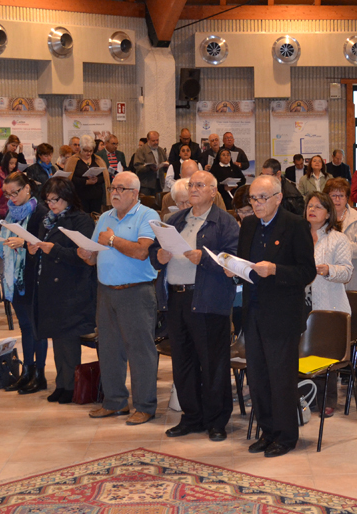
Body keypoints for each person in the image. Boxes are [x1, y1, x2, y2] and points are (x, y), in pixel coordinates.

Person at [229, 174, 316, 458]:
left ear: (278, 197)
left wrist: (276, 270)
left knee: (281, 378)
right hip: (252, 312)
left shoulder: (295, 225)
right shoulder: (249, 225)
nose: (256, 204)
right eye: (252, 198)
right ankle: (267, 432)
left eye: (262, 198)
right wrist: (234, 270)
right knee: (258, 377)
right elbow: (245, 264)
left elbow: (307, 272)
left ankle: (286, 436)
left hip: (282, 315)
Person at [156, 170, 240, 442]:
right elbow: (155, 257)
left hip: (208, 299)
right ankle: (191, 417)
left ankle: (216, 421)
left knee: (213, 363)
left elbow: (234, 260)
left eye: (199, 185)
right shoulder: (175, 219)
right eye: (191, 185)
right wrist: (158, 256)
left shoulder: (225, 223)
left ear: (213, 191)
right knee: (183, 362)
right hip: (177, 298)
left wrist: (203, 258)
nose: (193, 189)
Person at [78, 172, 161, 425]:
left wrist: (112, 240)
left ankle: (145, 406)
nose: (114, 192)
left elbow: (142, 251)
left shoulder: (148, 216)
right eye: (112, 187)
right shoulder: (105, 217)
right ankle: (114, 402)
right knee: (109, 349)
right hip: (106, 292)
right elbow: (93, 256)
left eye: (121, 188)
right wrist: (85, 253)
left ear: (135, 193)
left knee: (140, 351)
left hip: (136, 292)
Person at [24, 177, 96, 404]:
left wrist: (53, 249)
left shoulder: (81, 220)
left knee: (69, 339)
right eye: (48, 200)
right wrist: (33, 249)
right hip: (49, 285)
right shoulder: (46, 220)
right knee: (57, 337)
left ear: (67, 198)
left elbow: (82, 256)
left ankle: (71, 385)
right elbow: (41, 246)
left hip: (72, 286)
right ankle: (61, 383)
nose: (51, 204)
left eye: (55, 200)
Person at [0, 172, 48, 394]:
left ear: (27, 189)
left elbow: (45, 245)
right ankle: (27, 371)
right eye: (7, 194)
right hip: (15, 278)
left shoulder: (40, 212)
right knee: (25, 328)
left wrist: (23, 242)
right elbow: (7, 242)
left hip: (33, 277)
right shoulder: (10, 215)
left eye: (16, 193)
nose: (11, 198)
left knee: (36, 328)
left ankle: (39, 375)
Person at [305, 190, 354, 417]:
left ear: (328, 214)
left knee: (325, 354)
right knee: (301, 352)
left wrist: (328, 269)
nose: (312, 210)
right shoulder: (298, 235)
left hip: (329, 305)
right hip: (301, 303)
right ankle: (305, 396)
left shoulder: (338, 238)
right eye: (310, 206)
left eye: (318, 207)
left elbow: (347, 272)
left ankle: (327, 399)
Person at [326, 177, 357, 292]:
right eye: (333, 196)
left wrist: (340, 246)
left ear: (347, 198)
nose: (337, 199)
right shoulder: (322, 217)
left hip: (350, 278)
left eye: (341, 196)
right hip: (325, 274)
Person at [67, 134, 110, 215]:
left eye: (90, 151)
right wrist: (85, 182)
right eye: (85, 151)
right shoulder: (73, 160)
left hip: (96, 197)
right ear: (81, 148)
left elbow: (104, 177)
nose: (88, 153)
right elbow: (70, 178)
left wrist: (97, 180)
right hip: (80, 197)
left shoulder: (98, 160)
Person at [133, 131, 168, 197]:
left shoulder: (161, 150)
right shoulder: (141, 150)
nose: (156, 142)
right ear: (148, 140)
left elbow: (165, 162)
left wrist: (166, 165)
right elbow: (137, 166)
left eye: (157, 140)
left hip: (159, 183)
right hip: (146, 184)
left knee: (158, 204)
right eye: (153, 141)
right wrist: (149, 168)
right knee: (147, 203)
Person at [0, 154, 19, 219]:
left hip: (15, 208)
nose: (13, 166)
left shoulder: (17, 173)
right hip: (2, 209)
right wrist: (3, 189)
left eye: (15, 163)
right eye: (11, 163)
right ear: (6, 162)